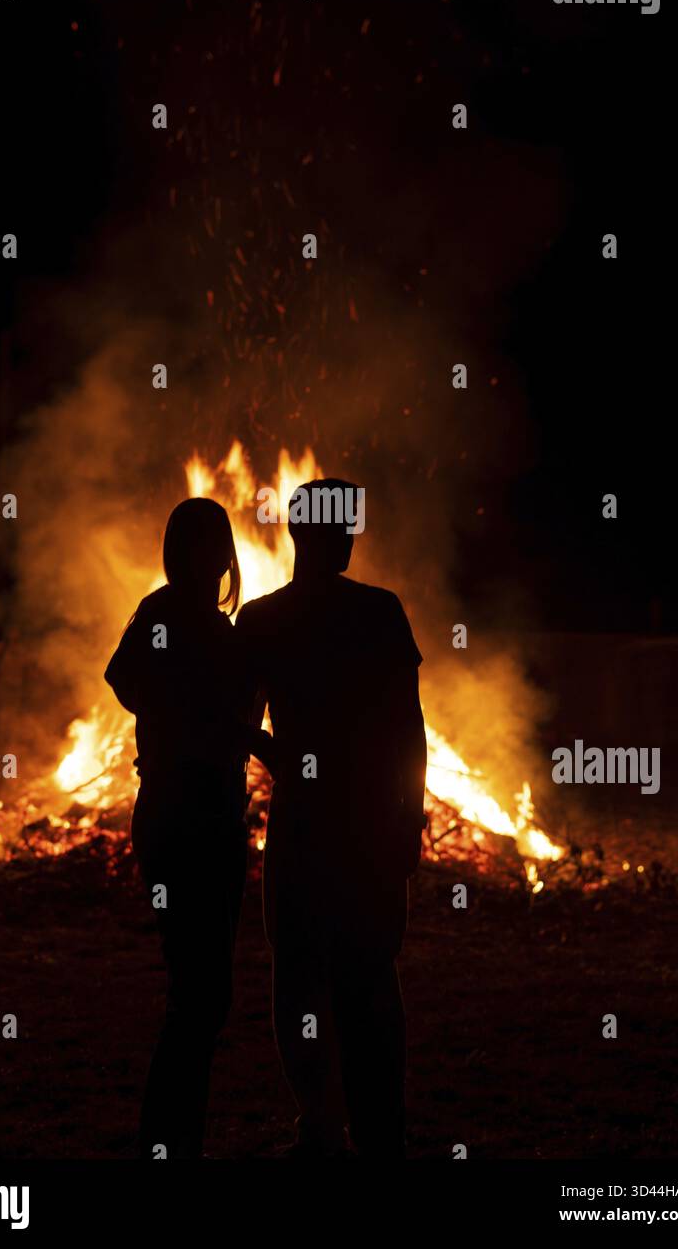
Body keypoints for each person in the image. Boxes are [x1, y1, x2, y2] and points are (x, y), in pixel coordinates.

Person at [236, 480, 427, 1158]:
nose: (350, 538)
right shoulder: (379, 614)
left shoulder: (262, 620)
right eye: (342, 527)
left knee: (303, 976)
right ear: (307, 533)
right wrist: (410, 816)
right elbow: (409, 728)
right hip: (368, 822)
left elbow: (237, 721)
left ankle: (323, 1122)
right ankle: (376, 1131)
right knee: (368, 977)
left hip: (309, 823)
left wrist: (284, 757)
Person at [104, 497, 274, 1159]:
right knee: (201, 995)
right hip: (198, 820)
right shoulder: (189, 621)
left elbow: (124, 679)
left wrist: (165, 718)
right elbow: (214, 718)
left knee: (198, 991)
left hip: (174, 815)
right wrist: (250, 741)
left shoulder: (164, 613)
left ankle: (173, 1140)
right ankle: (168, 1143)